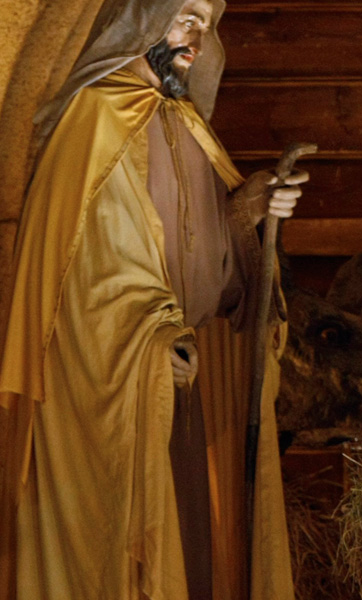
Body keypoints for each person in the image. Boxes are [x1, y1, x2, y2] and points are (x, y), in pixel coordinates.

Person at [0, 0, 305, 597]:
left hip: (176, 390)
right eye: (185, 14)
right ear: (138, 16)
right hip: (117, 389)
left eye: (209, 23)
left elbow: (219, 277)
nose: (199, 34)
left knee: (186, 554)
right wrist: (153, 337)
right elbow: (88, 275)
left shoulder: (186, 123)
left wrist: (249, 215)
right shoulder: (94, 118)